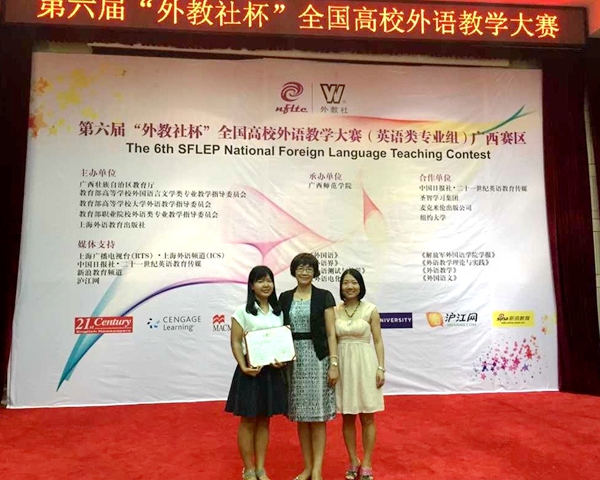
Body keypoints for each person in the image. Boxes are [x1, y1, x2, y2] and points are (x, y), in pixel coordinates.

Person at [279, 252, 339, 480]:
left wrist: (334, 363)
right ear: (294, 271)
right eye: (301, 268)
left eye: (309, 268)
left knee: (318, 417)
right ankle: (306, 467)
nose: (305, 272)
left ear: (315, 272)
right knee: (302, 417)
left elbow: (331, 333)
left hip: (318, 358)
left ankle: (317, 470)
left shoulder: (324, 296)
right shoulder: (285, 297)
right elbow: (279, 330)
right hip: (293, 361)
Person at [225, 266, 288, 480]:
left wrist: (282, 360)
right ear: (252, 286)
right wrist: (243, 366)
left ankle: (261, 468)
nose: (266, 285)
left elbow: (281, 341)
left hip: (271, 372)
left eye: (269, 280)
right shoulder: (242, 311)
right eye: (260, 281)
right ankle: (249, 469)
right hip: (250, 372)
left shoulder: (278, 312)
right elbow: (235, 341)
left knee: (264, 421)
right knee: (248, 421)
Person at [334, 268, 385, 480]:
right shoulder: (334, 310)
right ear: (341, 286)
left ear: (360, 285)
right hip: (343, 364)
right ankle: (353, 460)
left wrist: (381, 368)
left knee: (367, 416)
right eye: (346, 282)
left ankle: (367, 462)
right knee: (347, 416)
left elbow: (378, 341)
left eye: (354, 282)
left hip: (365, 363)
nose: (350, 286)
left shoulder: (370, 309)